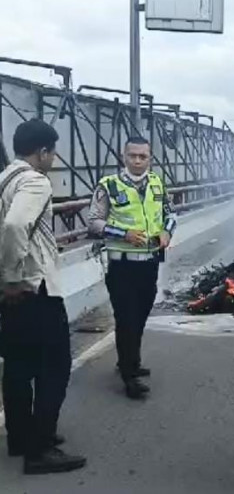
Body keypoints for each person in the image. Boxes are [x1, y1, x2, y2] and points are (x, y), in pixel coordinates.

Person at [0, 119, 87, 474]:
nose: (54, 159)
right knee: (55, 368)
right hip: (36, 289)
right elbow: (15, 225)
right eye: (52, 152)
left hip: (15, 294)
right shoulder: (34, 181)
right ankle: (40, 448)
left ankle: (20, 438)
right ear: (43, 152)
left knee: (18, 367)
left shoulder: (5, 178)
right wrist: (10, 276)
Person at [87, 137, 176, 400]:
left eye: (143, 156)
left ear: (150, 158)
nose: (137, 161)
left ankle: (130, 360)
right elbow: (94, 222)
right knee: (126, 318)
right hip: (122, 265)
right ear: (123, 157)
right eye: (132, 156)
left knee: (140, 315)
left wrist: (166, 233)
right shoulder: (109, 186)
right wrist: (123, 233)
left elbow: (170, 214)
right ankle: (129, 375)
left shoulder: (158, 183)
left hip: (149, 263)